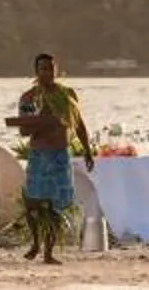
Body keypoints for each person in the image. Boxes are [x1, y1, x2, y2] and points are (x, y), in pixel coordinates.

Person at [7, 52, 95, 264]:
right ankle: (36, 243)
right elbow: (23, 132)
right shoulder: (29, 98)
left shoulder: (68, 95)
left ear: (57, 70)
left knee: (57, 204)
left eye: (51, 68)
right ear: (36, 72)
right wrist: (44, 120)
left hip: (60, 156)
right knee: (33, 202)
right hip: (40, 155)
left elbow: (79, 123)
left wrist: (87, 150)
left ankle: (49, 252)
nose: (47, 72)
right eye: (43, 68)